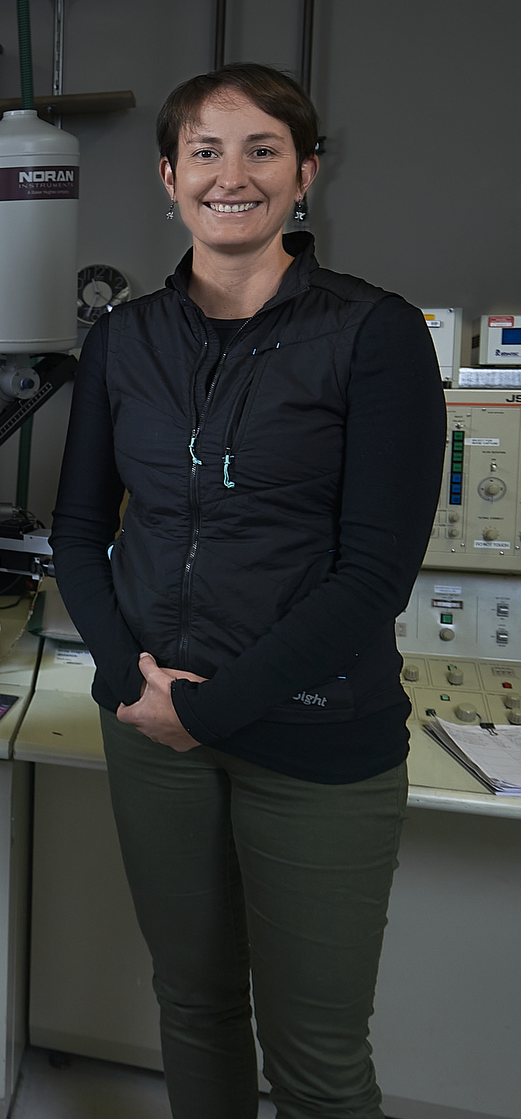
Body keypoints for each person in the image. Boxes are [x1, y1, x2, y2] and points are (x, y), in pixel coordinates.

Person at [51, 64, 445, 1119]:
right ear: (168, 177)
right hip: (152, 731)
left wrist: (206, 708)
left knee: (315, 1058)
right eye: (208, 153)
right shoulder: (126, 340)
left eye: (263, 149)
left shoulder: (374, 335)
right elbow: (80, 532)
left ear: (305, 173)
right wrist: (128, 679)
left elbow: (374, 575)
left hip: (316, 743)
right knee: (194, 1005)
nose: (234, 175)